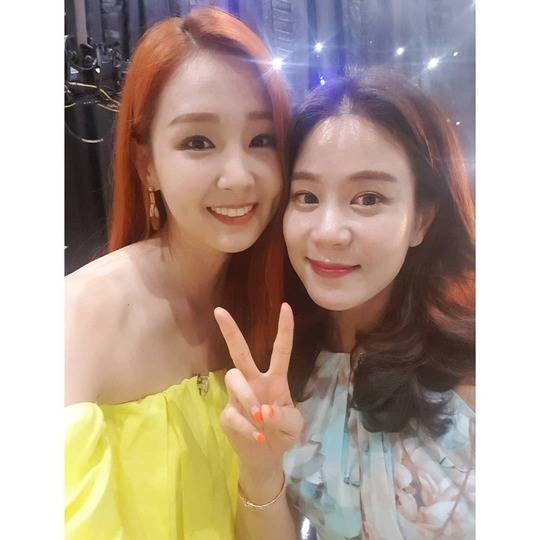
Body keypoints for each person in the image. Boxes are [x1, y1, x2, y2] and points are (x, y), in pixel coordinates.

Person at [214, 69, 475, 540]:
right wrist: (259, 467)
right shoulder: (285, 364)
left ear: (421, 219)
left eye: (368, 198)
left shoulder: (473, 360)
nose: (328, 232)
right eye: (307, 196)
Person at [64, 7, 290, 539]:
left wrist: (262, 471)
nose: (239, 176)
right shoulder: (75, 321)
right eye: (198, 142)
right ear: (147, 165)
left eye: (262, 140)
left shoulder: (274, 309)